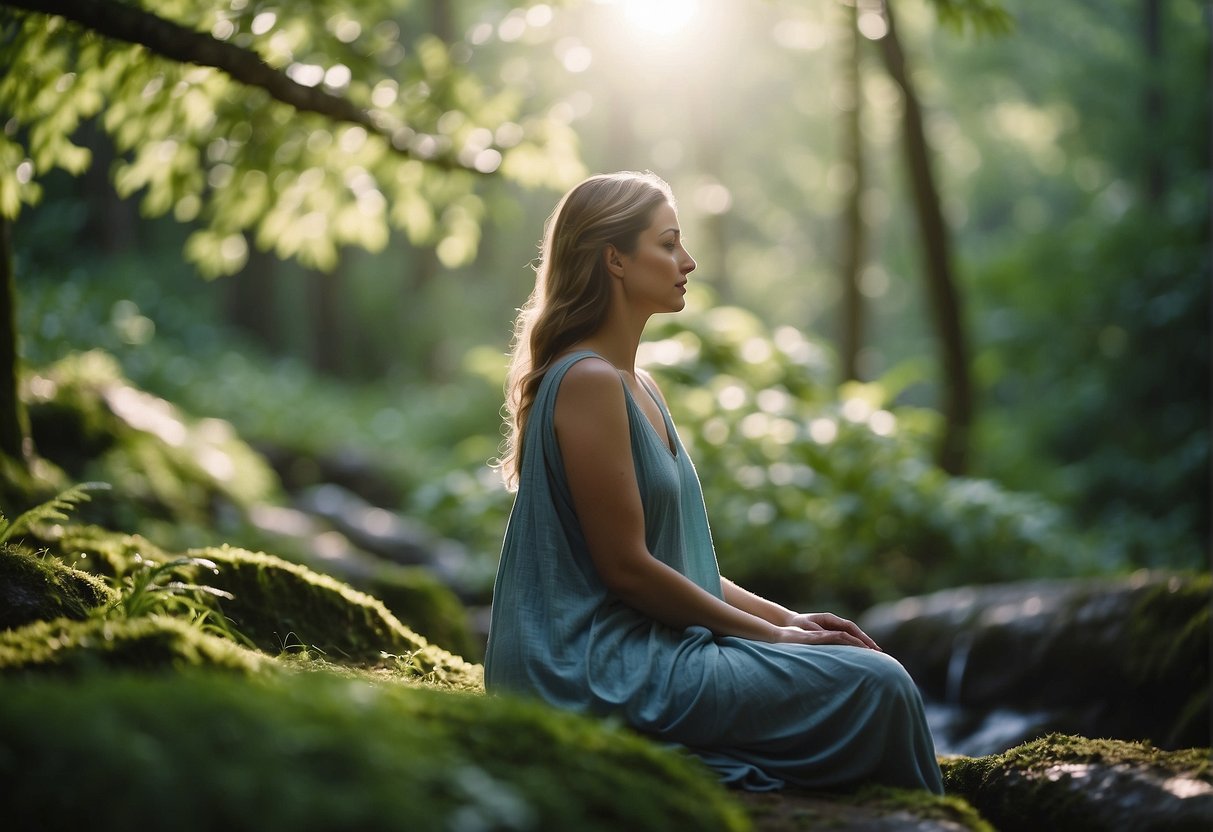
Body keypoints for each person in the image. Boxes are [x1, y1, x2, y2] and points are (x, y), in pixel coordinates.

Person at [484, 170, 943, 794]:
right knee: (880, 684)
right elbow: (628, 570)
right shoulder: (587, 382)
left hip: (644, 650)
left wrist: (793, 620)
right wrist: (775, 638)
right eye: (668, 244)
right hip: (589, 667)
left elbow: (678, 561)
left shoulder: (636, 384)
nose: (688, 261)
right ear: (614, 258)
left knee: (864, 665)